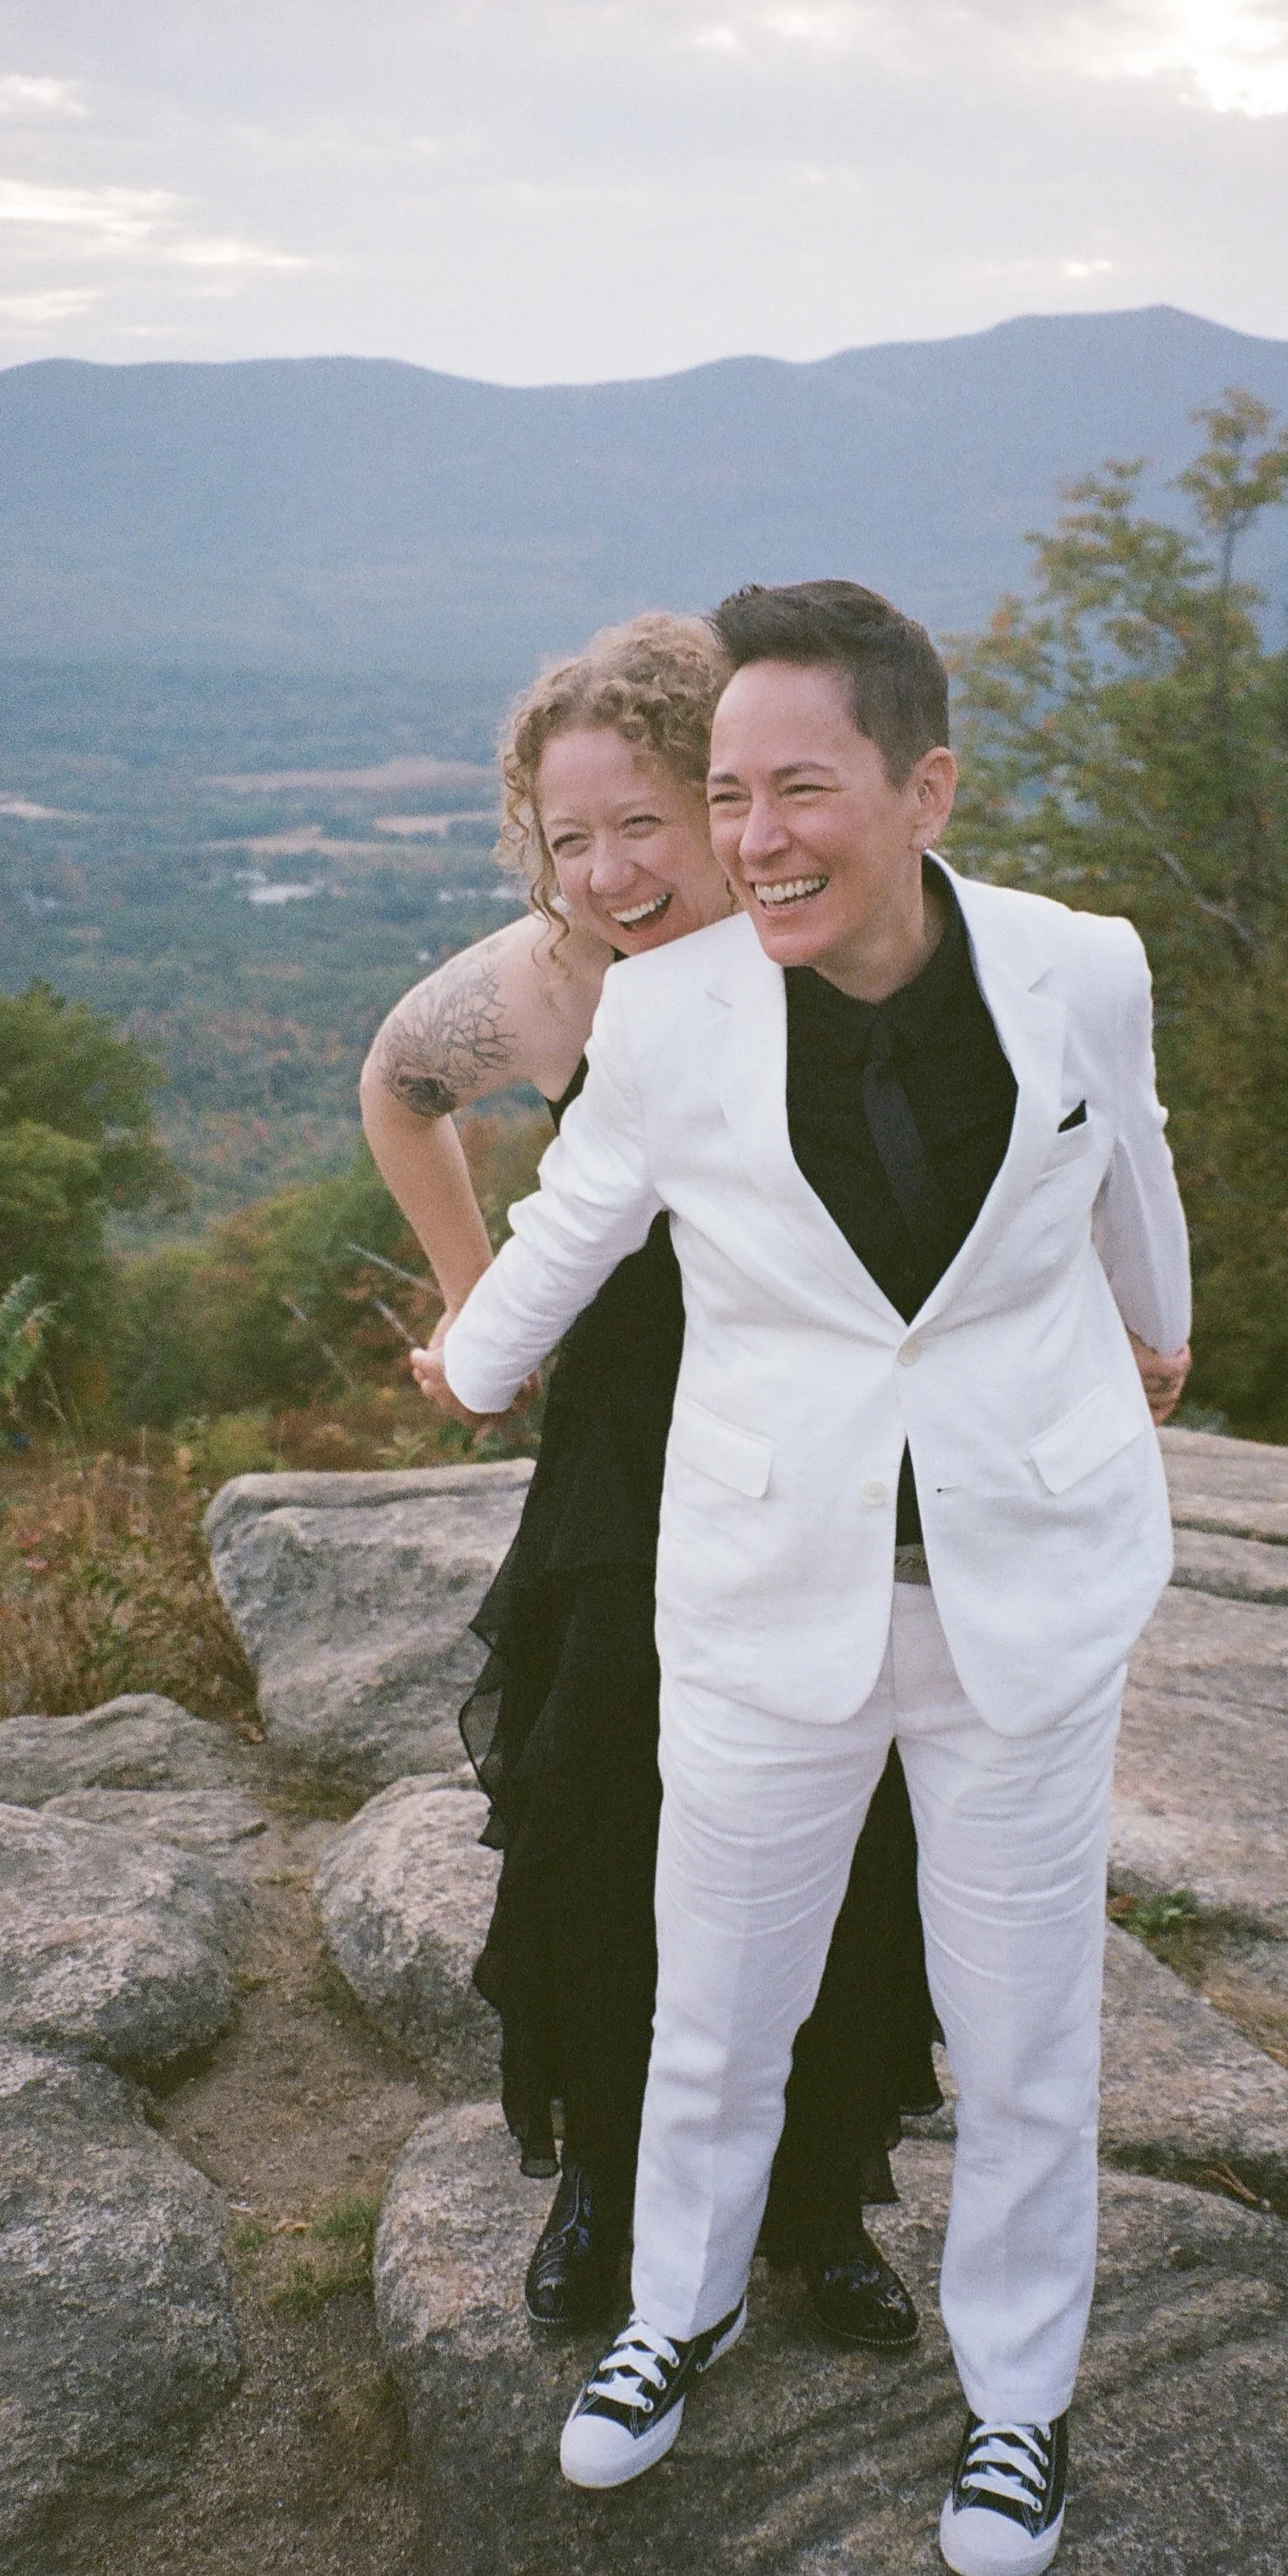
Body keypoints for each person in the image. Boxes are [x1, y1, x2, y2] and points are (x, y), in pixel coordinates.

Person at [420, 580, 1193, 2576]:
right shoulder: (670, 1009)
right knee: (717, 1998)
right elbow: (576, 1217)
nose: (752, 835)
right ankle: (676, 2308)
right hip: (766, 1590)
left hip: (1017, 1594)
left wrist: (1156, 1326)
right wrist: (471, 1354)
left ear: (920, 787)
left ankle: (1015, 2403)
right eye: (732, 793)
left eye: (797, 789)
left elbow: (1135, 1171)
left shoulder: (1075, 966)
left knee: (1030, 2030)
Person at [361, 612, 938, 2350]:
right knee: (603, 1802)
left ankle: (820, 2207)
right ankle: (607, 2180)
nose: (608, 871)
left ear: (733, 799)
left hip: (837, 1458)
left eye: (645, 825)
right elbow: (398, 1086)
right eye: (568, 835)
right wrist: (479, 1305)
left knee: (852, 1819)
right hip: (630, 1455)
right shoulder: (548, 982)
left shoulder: (852, 945)